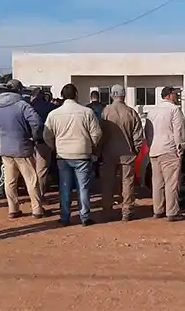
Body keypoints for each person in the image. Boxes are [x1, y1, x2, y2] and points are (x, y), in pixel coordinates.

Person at [0, 79, 46, 219]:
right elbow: (36, 122)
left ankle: (13, 209)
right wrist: (33, 136)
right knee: (31, 179)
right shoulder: (22, 105)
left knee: (10, 180)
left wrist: (0, 134)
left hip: (5, 148)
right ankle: (37, 209)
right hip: (22, 147)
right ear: (19, 90)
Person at [44, 83, 102, 226]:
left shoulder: (54, 114)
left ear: (62, 96)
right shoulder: (87, 112)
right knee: (83, 187)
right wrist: (90, 145)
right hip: (82, 154)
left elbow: (47, 135)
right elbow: (97, 133)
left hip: (63, 155)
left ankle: (65, 217)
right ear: (76, 95)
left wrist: (55, 147)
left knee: (65, 187)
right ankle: (84, 217)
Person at [100, 84, 144, 221]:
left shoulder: (106, 112)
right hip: (127, 152)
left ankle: (107, 210)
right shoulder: (131, 112)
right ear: (123, 95)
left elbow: (100, 133)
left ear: (112, 95)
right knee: (128, 182)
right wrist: (135, 150)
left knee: (108, 182)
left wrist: (100, 150)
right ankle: (127, 211)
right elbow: (138, 135)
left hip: (109, 152)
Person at [147, 86, 185, 222]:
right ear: (170, 95)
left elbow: (148, 132)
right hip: (169, 150)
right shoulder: (175, 110)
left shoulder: (152, 111)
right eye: (175, 94)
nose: (176, 96)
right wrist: (180, 149)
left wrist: (150, 146)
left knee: (157, 183)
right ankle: (172, 211)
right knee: (171, 182)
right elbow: (179, 131)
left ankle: (157, 210)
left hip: (154, 150)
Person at [30, 87, 57, 198]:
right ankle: (39, 196)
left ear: (33, 96)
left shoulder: (27, 107)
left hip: (27, 142)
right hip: (44, 141)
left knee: (29, 171)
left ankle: (32, 195)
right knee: (41, 171)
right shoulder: (51, 108)